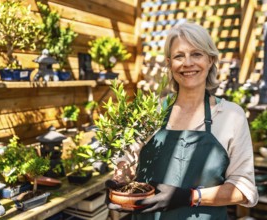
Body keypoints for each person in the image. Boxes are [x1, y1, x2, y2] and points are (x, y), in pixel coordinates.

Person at [106, 22, 258, 220]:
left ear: (210, 60)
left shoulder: (231, 116)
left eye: (196, 54)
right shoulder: (152, 111)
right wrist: (118, 181)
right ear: (169, 63)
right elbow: (127, 162)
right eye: (179, 56)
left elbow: (244, 189)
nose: (187, 63)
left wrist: (189, 197)